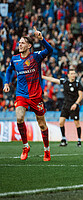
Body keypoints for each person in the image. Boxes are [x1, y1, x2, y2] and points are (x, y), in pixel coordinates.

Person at [3, 27, 53, 161]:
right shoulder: (15, 59)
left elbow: (50, 50)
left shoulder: (35, 57)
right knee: (19, 117)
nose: (19, 45)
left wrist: (42, 39)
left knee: (42, 124)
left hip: (36, 96)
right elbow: (8, 71)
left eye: (22, 43)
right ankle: (25, 146)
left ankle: (46, 150)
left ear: (29, 45)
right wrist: (6, 83)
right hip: (21, 95)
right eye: (19, 43)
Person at [42, 68, 83, 147]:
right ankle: (63, 139)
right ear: (68, 75)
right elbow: (54, 80)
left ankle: (79, 140)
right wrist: (43, 77)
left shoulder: (78, 84)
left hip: (74, 105)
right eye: (71, 74)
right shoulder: (65, 82)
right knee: (61, 122)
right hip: (66, 105)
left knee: (77, 123)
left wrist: (76, 104)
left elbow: (81, 96)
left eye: (74, 73)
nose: (73, 75)